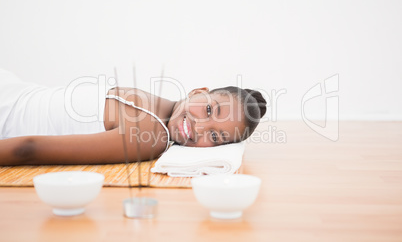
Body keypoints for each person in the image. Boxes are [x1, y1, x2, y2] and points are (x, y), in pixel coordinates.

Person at [0, 69, 267, 166]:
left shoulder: (152, 102)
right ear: (198, 91)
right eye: (209, 110)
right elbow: (27, 149)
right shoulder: (150, 136)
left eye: (215, 136)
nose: (199, 126)